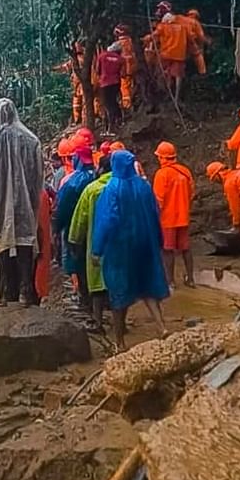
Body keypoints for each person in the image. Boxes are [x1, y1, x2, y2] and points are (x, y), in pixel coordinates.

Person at [92, 151, 171, 352]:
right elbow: (155, 213)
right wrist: (159, 240)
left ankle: (120, 343)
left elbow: (106, 221)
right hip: (146, 243)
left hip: (121, 247)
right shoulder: (144, 186)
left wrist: (97, 249)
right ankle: (162, 327)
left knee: (119, 291)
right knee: (147, 285)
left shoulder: (111, 190)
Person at [0, 98, 44, 307]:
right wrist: (32, 197)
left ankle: (3, 294)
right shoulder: (30, 139)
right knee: (25, 241)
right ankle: (27, 292)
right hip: (24, 202)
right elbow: (38, 174)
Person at [68, 155, 114, 333]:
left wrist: (74, 239)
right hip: (122, 242)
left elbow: (80, 218)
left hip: (95, 241)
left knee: (96, 282)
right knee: (119, 282)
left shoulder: (92, 189)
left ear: (101, 169)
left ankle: (98, 322)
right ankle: (121, 325)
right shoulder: (128, 187)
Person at [56, 143, 97, 308]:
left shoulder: (72, 182)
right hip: (97, 228)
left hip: (76, 228)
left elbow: (63, 207)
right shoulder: (100, 176)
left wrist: (57, 227)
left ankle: (84, 298)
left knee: (78, 263)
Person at [153, 142, 195, 287]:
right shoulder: (185, 172)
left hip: (167, 219)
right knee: (185, 248)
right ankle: (190, 279)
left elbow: (158, 200)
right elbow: (191, 193)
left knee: (167, 249)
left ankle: (170, 281)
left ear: (162, 157)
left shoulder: (162, 174)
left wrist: (154, 217)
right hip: (183, 217)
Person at [152, 5, 192, 99]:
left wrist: (145, 39)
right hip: (180, 54)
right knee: (178, 76)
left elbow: (154, 36)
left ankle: (165, 94)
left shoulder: (162, 26)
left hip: (166, 54)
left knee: (162, 72)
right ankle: (176, 98)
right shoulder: (183, 25)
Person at [95, 42, 126, 129]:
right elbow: (123, 74)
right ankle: (119, 119)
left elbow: (97, 70)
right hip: (116, 83)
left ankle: (112, 123)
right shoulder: (121, 59)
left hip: (105, 83)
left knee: (108, 103)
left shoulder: (102, 56)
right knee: (113, 101)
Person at [114, 24, 137, 112]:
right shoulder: (131, 41)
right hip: (134, 67)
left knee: (125, 88)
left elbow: (109, 49)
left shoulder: (120, 43)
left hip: (125, 69)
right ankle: (133, 102)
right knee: (132, 86)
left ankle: (127, 106)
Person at [179, 10, 209, 75]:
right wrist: (206, 42)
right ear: (196, 16)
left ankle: (183, 73)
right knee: (198, 56)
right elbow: (200, 36)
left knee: (182, 59)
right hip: (191, 42)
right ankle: (202, 72)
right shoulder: (195, 22)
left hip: (180, 42)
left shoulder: (182, 20)